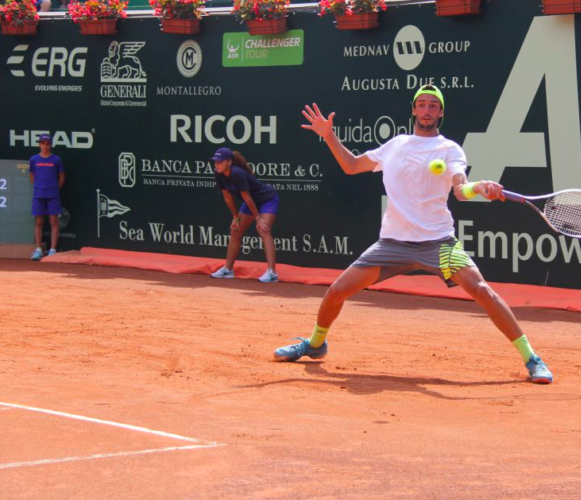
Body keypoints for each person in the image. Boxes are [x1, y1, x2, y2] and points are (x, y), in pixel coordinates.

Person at [273, 84, 553, 384]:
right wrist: (328, 135)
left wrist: (479, 187)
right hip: (393, 243)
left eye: (433, 105)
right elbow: (351, 165)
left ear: (441, 112)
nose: (427, 110)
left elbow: (460, 190)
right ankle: (316, 345)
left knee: (483, 291)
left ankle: (532, 358)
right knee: (336, 292)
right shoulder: (395, 145)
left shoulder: (448, 149)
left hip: (438, 243)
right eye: (422, 105)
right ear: (414, 109)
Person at [210, 147, 280, 283]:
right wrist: (235, 217)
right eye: (215, 162)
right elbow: (228, 197)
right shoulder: (218, 174)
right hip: (251, 202)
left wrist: (258, 219)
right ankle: (228, 270)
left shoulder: (237, 174)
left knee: (263, 229)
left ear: (229, 162)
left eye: (220, 161)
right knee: (235, 230)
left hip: (267, 199)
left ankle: (272, 273)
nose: (217, 164)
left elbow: (247, 198)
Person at [29, 134, 65, 261]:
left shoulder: (56, 160)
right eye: (43, 143)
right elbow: (32, 177)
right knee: (38, 222)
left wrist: (53, 189)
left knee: (54, 222)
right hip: (39, 194)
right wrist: (40, 187)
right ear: (39, 144)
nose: (45, 146)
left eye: (47, 143)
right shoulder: (34, 159)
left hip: (53, 195)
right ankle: (38, 250)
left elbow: (61, 178)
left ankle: (53, 250)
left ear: (50, 145)